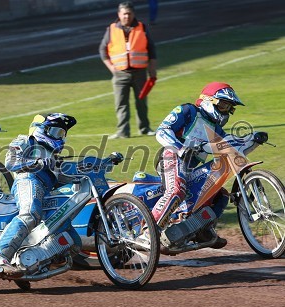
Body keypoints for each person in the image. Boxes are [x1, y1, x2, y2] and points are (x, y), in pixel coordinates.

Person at [153, 82, 245, 250]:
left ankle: (202, 230)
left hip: (191, 170)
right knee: (176, 190)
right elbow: (162, 130)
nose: (226, 111)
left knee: (220, 194)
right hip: (171, 158)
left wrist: (251, 139)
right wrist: (181, 149)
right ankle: (149, 230)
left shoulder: (216, 128)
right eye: (223, 105)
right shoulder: (188, 111)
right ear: (209, 100)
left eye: (229, 107)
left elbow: (230, 146)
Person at [0, 113, 79, 278]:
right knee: (29, 215)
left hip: (46, 191)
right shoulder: (26, 141)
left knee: (73, 239)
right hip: (28, 180)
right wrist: (37, 163)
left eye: (62, 134)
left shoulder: (53, 156)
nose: (59, 137)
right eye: (56, 132)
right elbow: (11, 163)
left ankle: (29, 261)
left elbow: (61, 178)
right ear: (41, 129)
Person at [99, 1, 157, 139]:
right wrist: (111, 68)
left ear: (133, 14)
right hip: (120, 74)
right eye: (124, 14)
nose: (126, 16)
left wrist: (152, 71)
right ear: (119, 14)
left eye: (129, 14)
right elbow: (103, 49)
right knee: (120, 104)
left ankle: (144, 128)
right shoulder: (112, 29)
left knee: (141, 102)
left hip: (139, 73)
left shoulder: (142, 27)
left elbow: (151, 49)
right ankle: (122, 132)